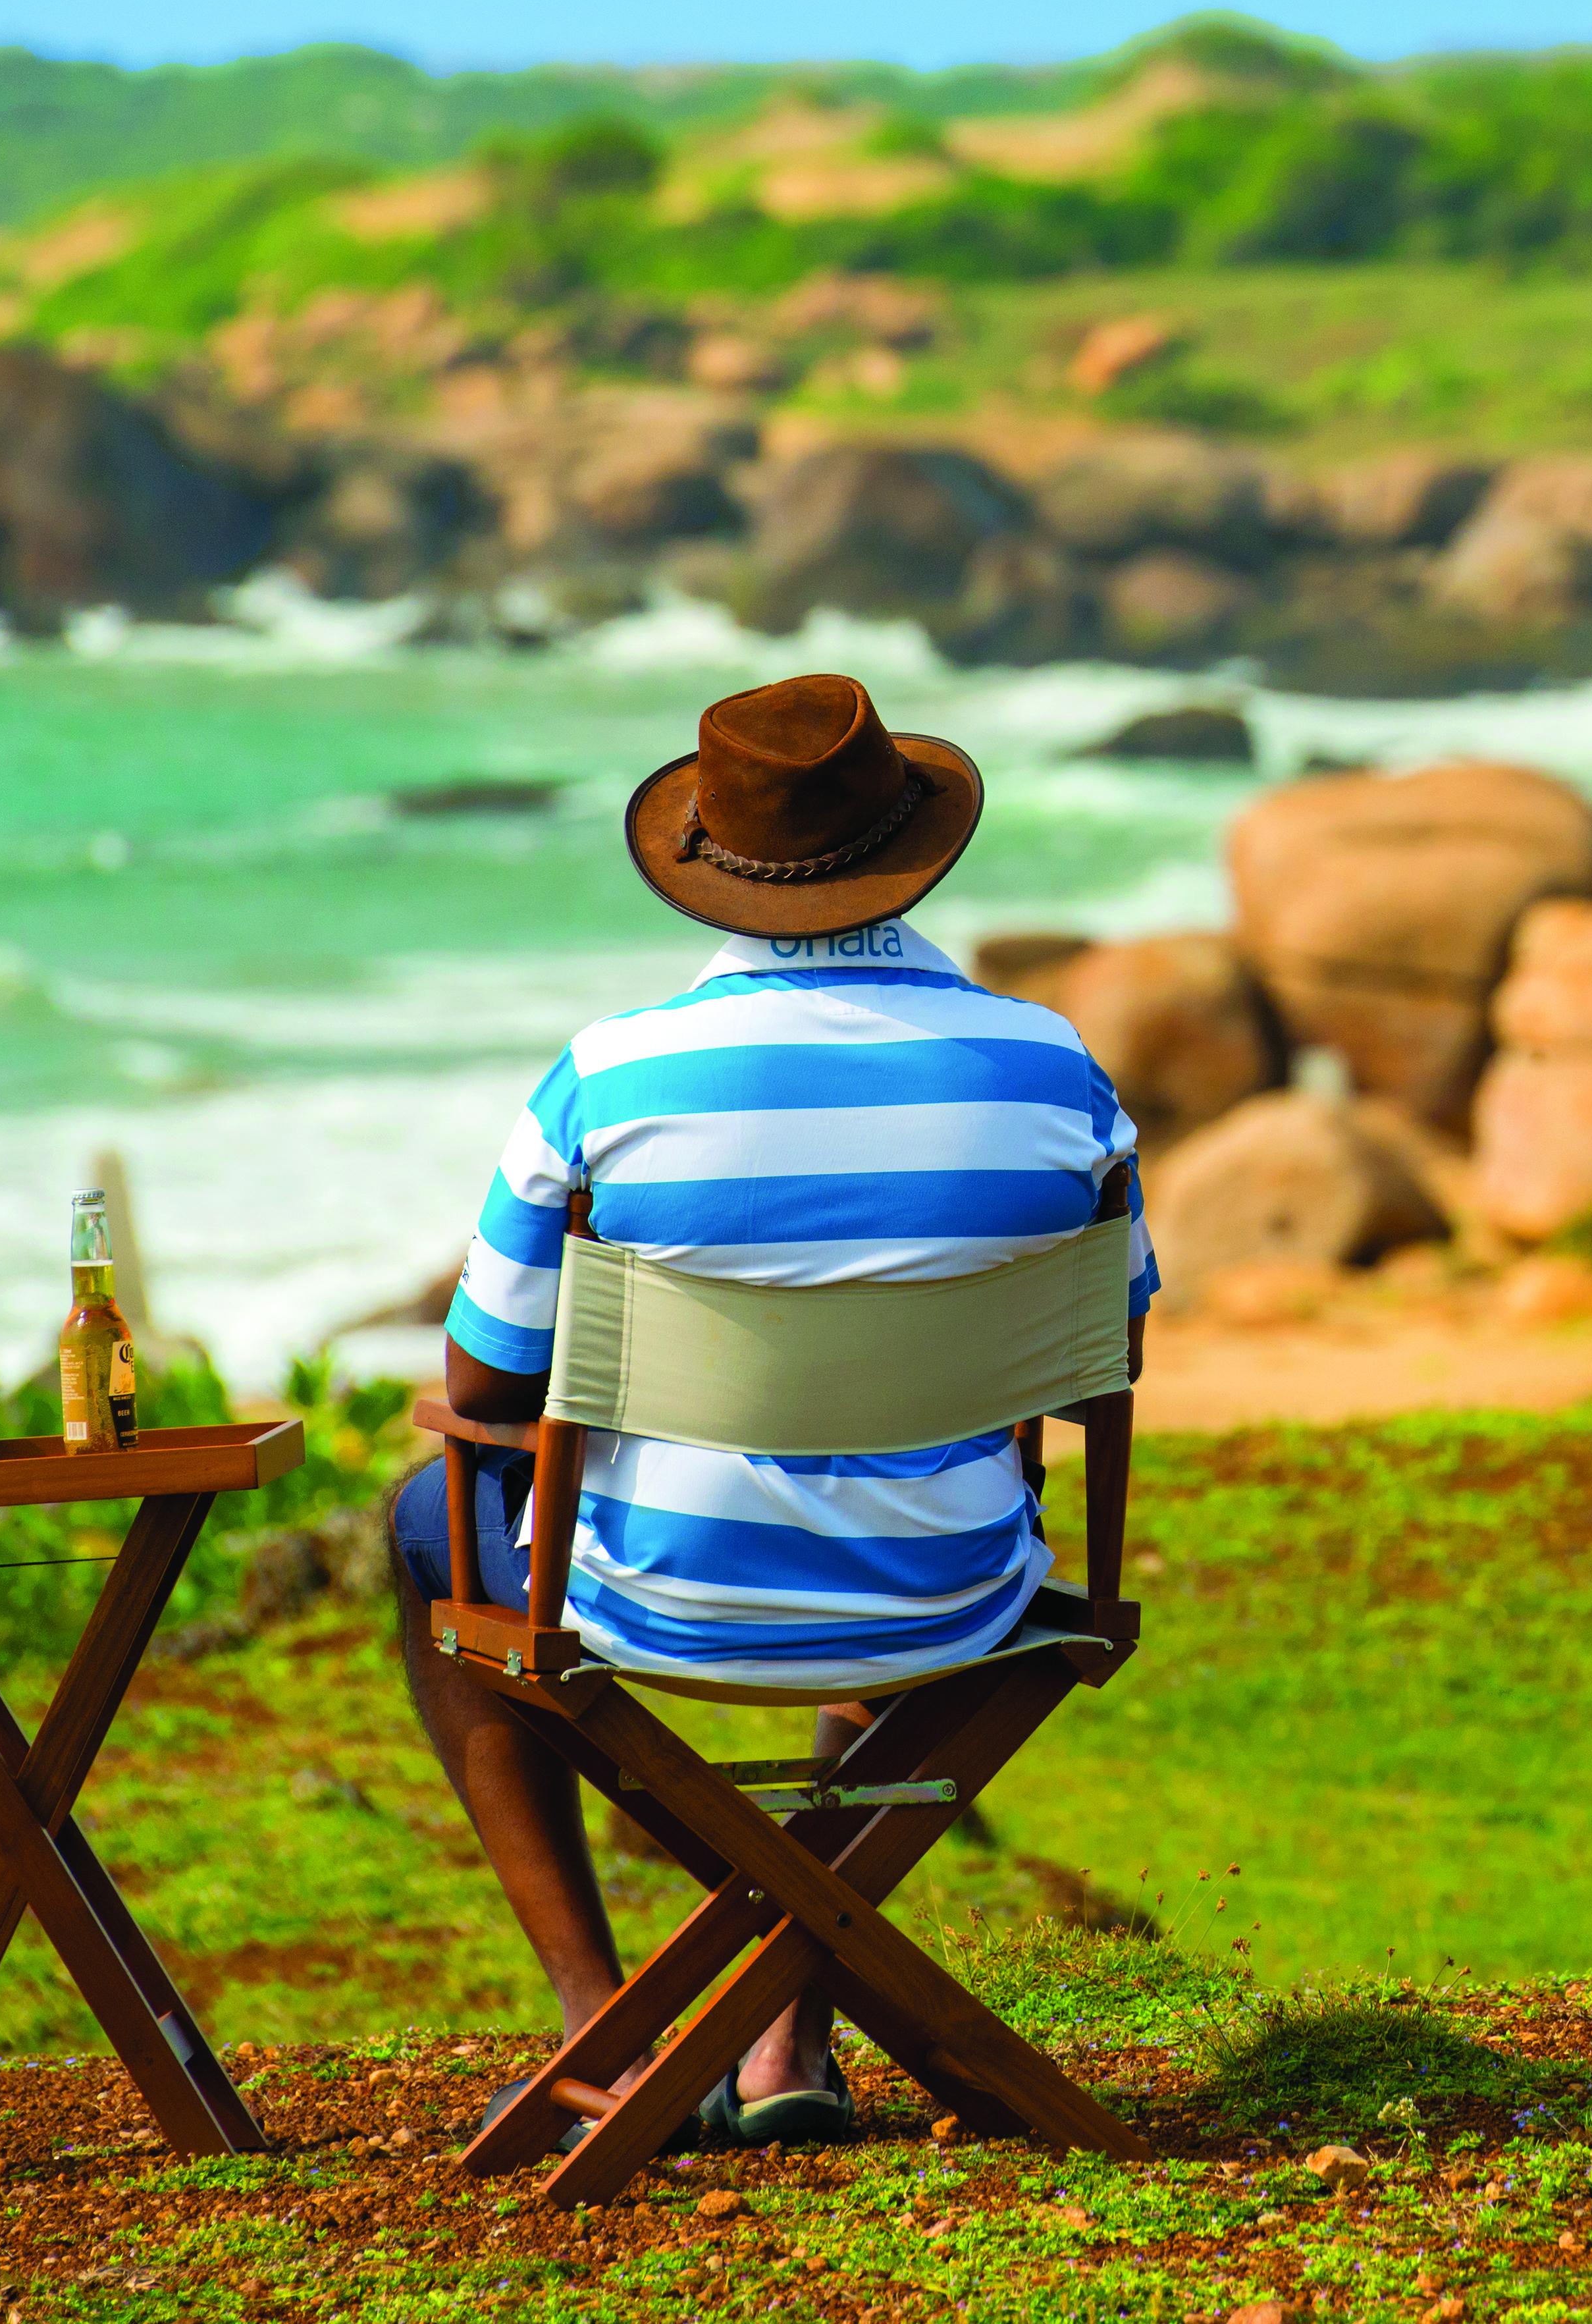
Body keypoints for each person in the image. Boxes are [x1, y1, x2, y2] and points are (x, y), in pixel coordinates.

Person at [387, 672, 1152, 2149]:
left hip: (652, 1590)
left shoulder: (608, 1076)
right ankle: (785, 2032)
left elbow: (484, 1385)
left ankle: (600, 2029)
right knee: (905, 1473)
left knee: (428, 1517)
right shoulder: (1051, 1062)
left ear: (710, 864)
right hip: (959, 1589)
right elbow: (1099, 1343)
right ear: (914, 844)